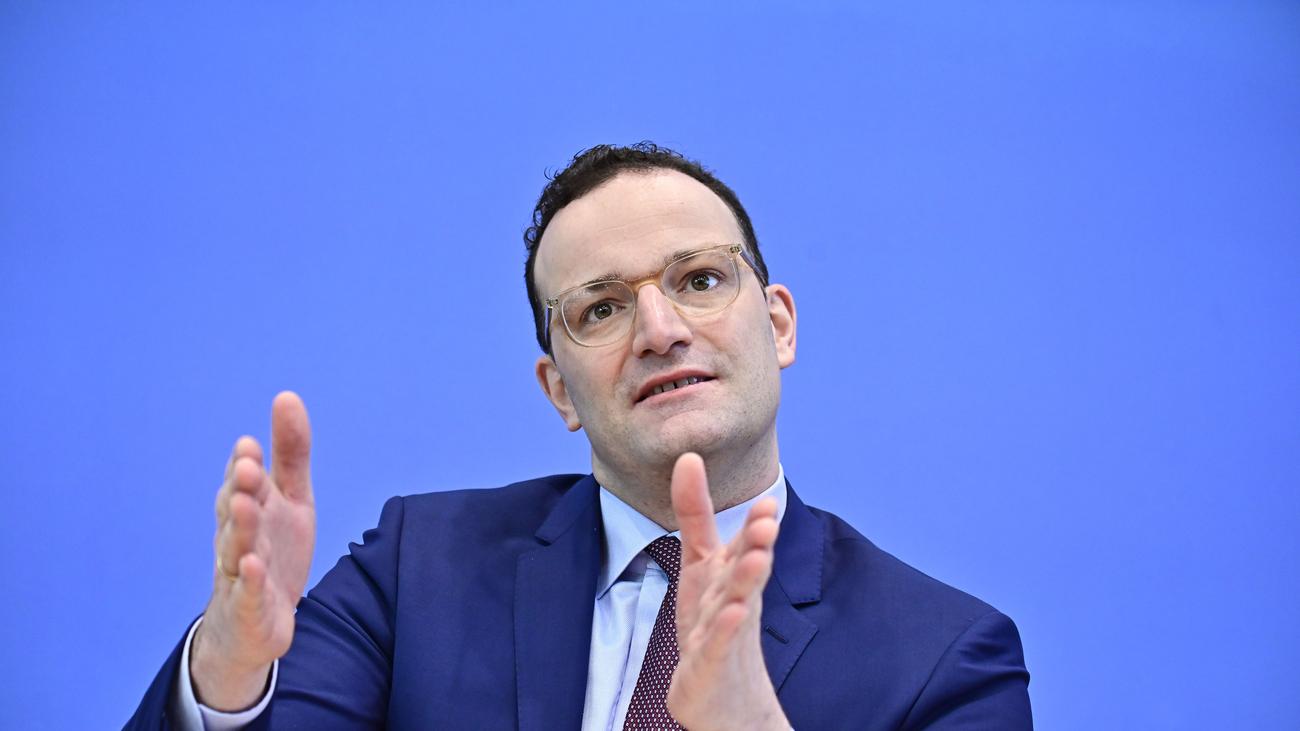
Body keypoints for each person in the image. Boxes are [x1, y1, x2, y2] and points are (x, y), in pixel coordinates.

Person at [128, 143, 1032, 730]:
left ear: (780, 324)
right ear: (559, 388)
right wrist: (230, 672)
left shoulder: (945, 657)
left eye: (699, 279)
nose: (659, 329)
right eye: (601, 307)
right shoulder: (418, 568)